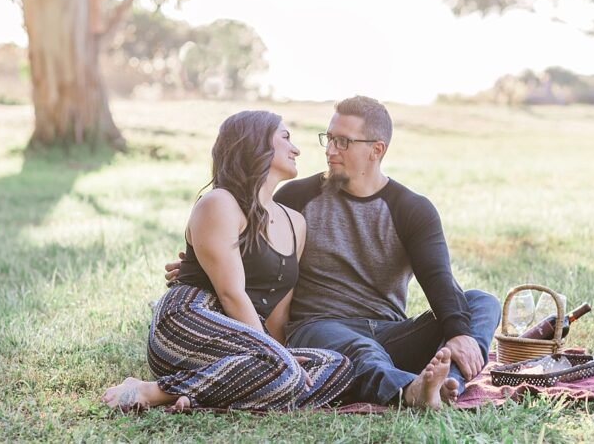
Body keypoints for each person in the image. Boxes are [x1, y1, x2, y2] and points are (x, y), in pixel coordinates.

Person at [168, 96, 501, 409]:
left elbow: (439, 280)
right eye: (328, 138)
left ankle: (447, 386)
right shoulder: (295, 198)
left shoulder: (411, 209)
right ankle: (408, 390)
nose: (330, 150)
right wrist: (198, 266)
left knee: (481, 303)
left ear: (376, 150)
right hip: (317, 327)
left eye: (343, 141)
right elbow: (254, 260)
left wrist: (458, 334)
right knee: (362, 350)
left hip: (389, 330)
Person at [101, 110, 352, 411]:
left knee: (337, 364)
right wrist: (275, 356)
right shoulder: (219, 203)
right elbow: (230, 293)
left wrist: (279, 354)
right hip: (189, 320)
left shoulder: (295, 223)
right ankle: (154, 391)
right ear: (256, 144)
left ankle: (199, 395)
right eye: (285, 138)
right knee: (283, 368)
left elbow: (277, 313)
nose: (296, 149)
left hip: (245, 341)